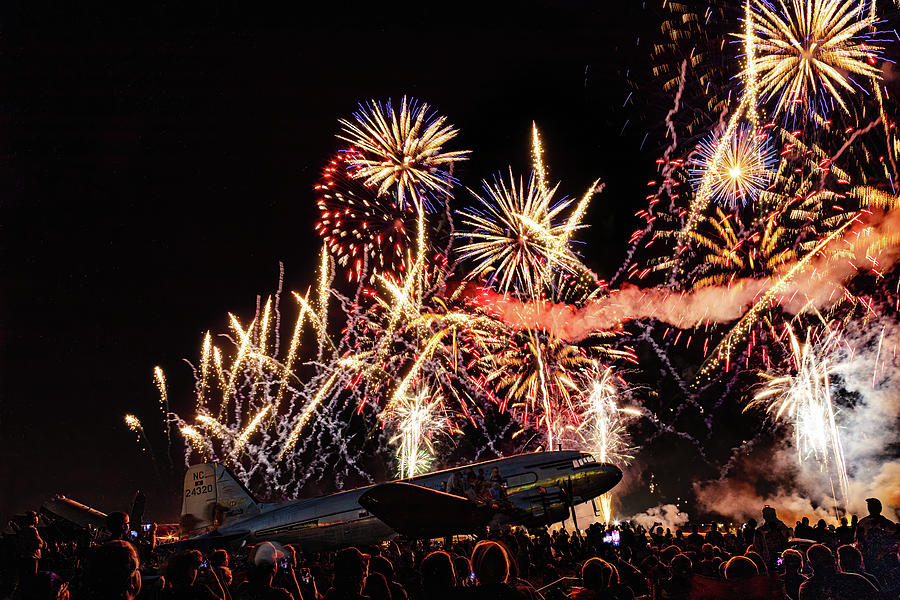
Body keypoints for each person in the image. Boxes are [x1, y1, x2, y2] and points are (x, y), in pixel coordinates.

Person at [798, 543, 877, 600]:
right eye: (821, 562)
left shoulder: (807, 587)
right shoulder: (855, 579)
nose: (825, 565)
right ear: (833, 560)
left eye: (826, 561)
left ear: (810, 564)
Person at [855, 497, 896, 578]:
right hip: (884, 560)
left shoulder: (862, 523)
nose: (869, 508)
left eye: (870, 506)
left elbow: (858, 541)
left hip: (872, 560)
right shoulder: (888, 523)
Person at [15, 512, 43, 582]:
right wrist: (42, 543)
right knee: (32, 577)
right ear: (34, 519)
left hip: (24, 556)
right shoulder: (33, 530)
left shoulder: (23, 529)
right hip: (33, 556)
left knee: (25, 577)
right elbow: (38, 544)